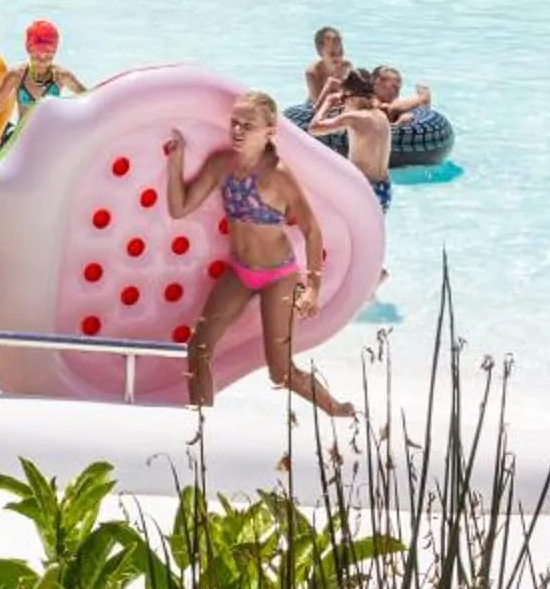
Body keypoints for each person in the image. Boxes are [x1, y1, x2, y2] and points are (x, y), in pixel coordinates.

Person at [163, 94, 351, 416]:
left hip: (279, 274)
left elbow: (312, 230)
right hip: (240, 271)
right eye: (234, 122)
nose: (237, 130)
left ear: (270, 131)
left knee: (280, 372)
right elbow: (179, 209)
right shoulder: (221, 165)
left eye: (248, 125)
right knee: (198, 348)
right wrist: (176, 161)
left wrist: (313, 286)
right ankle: (201, 429)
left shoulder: (278, 175)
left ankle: (335, 409)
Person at [313, 73, 396, 209]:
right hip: (383, 189)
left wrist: (327, 102)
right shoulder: (381, 115)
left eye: (344, 97)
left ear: (352, 95)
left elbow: (314, 128)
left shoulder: (355, 118)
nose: (343, 101)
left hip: (363, 189)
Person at [0, 19, 86, 126]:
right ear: (29, 50)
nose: (42, 61)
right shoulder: (16, 76)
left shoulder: (61, 76)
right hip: (24, 136)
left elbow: (90, 100)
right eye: (37, 55)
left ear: (55, 51)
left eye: (48, 55)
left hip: (51, 133)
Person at [304, 27, 356, 110]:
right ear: (320, 53)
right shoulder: (312, 72)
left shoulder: (346, 67)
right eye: (332, 54)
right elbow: (317, 106)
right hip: (313, 107)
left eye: (341, 52)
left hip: (337, 106)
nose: (338, 57)